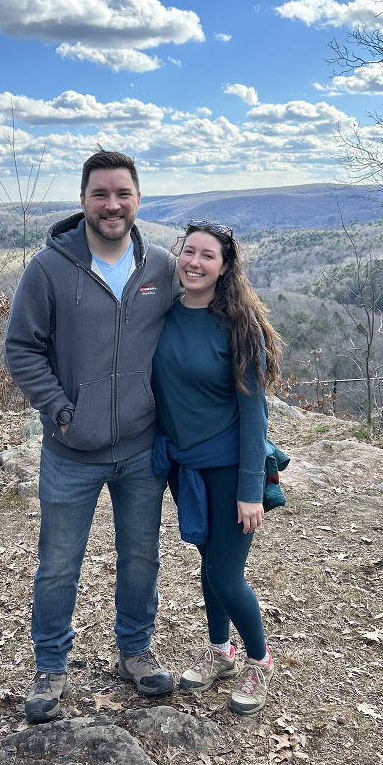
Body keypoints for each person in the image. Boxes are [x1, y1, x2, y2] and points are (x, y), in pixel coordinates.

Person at [4, 149, 179, 723]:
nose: (112, 205)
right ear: (82, 200)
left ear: (138, 199)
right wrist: (61, 412)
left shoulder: (160, 268)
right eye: (100, 194)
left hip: (141, 448)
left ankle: (135, 652)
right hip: (70, 451)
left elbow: (197, 324)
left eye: (122, 193)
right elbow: (21, 349)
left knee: (140, 557)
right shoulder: (48, 269)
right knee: (58, 564)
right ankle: (51, 667)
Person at [151, 220, 283, 716]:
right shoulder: (163, 314)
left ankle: (259, 660)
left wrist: (250, 488)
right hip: (185, 466)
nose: (195, 262)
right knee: (209, 566)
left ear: (225, 268)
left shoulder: (239, 326)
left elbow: (254, 415)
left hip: (229, 467)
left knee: (226, 576)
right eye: (189, 252)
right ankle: (220, 651)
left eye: (208, 255)